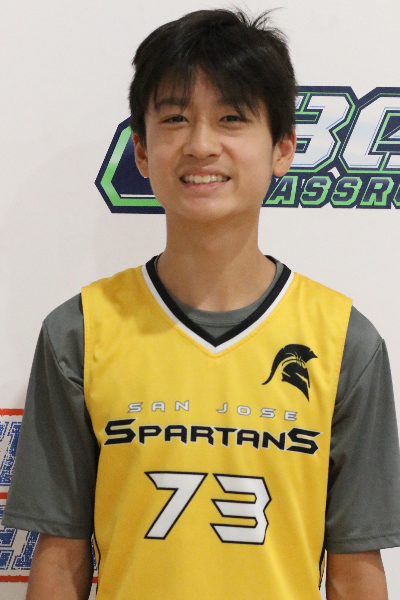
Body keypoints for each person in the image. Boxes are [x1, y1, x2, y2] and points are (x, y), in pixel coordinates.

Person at [3, 9, 400, 600]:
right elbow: (60, 559)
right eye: (175, 119)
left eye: (231, 118)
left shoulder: (345, 341)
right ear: (142, 151)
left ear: (283, 149)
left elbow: (354, 569)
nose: (201, 144)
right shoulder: (79, 332)